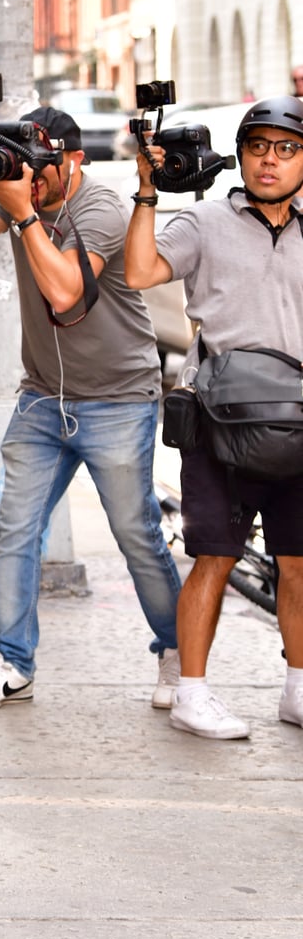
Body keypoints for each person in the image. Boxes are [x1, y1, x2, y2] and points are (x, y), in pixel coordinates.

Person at [0, 106, 182, 711]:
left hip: (119, 399)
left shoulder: (101, 209)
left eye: (42, 167)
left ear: (75, 159)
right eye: (25, 167)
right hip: (44, 396)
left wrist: (21, 213)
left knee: (136, 533)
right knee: (15, 531)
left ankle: (179, 656)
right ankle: (11, 662)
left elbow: (67, 291)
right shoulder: (19, 193)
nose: (32, 179)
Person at [124, 95, 303, 739]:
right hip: (219, 420)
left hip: (298, 420)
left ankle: (296, 689)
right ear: (242, 155)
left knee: (297, 560)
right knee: (214, 558)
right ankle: (191, 693)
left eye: (287, 149)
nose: (270, 161)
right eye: (259, 147)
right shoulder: (203, 221)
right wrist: (147, 192)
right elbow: (140, 270)